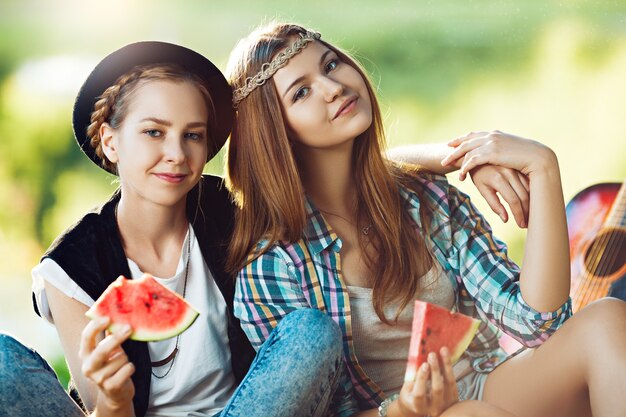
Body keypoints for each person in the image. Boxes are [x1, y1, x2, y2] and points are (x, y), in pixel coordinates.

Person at [226, 23, 626, 417]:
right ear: (275, 133)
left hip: (485, 385)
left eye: (330, 66)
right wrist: (404, 408)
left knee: (605, 318)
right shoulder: (271, 266)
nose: (334, 88)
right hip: (397, 415)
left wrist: (543, 169)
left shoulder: (423, 198)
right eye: (302, 92)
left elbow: (539, 324)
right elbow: (323, 412)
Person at [0, 41, 345, 417]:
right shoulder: (69, 267)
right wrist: (113, 401)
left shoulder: (229, 208)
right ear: (110, 141)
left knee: (311, 331)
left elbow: (322, 183)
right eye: (154, 132)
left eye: (192, 135)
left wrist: (413, 164)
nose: (177, 155)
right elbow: (104, 411)